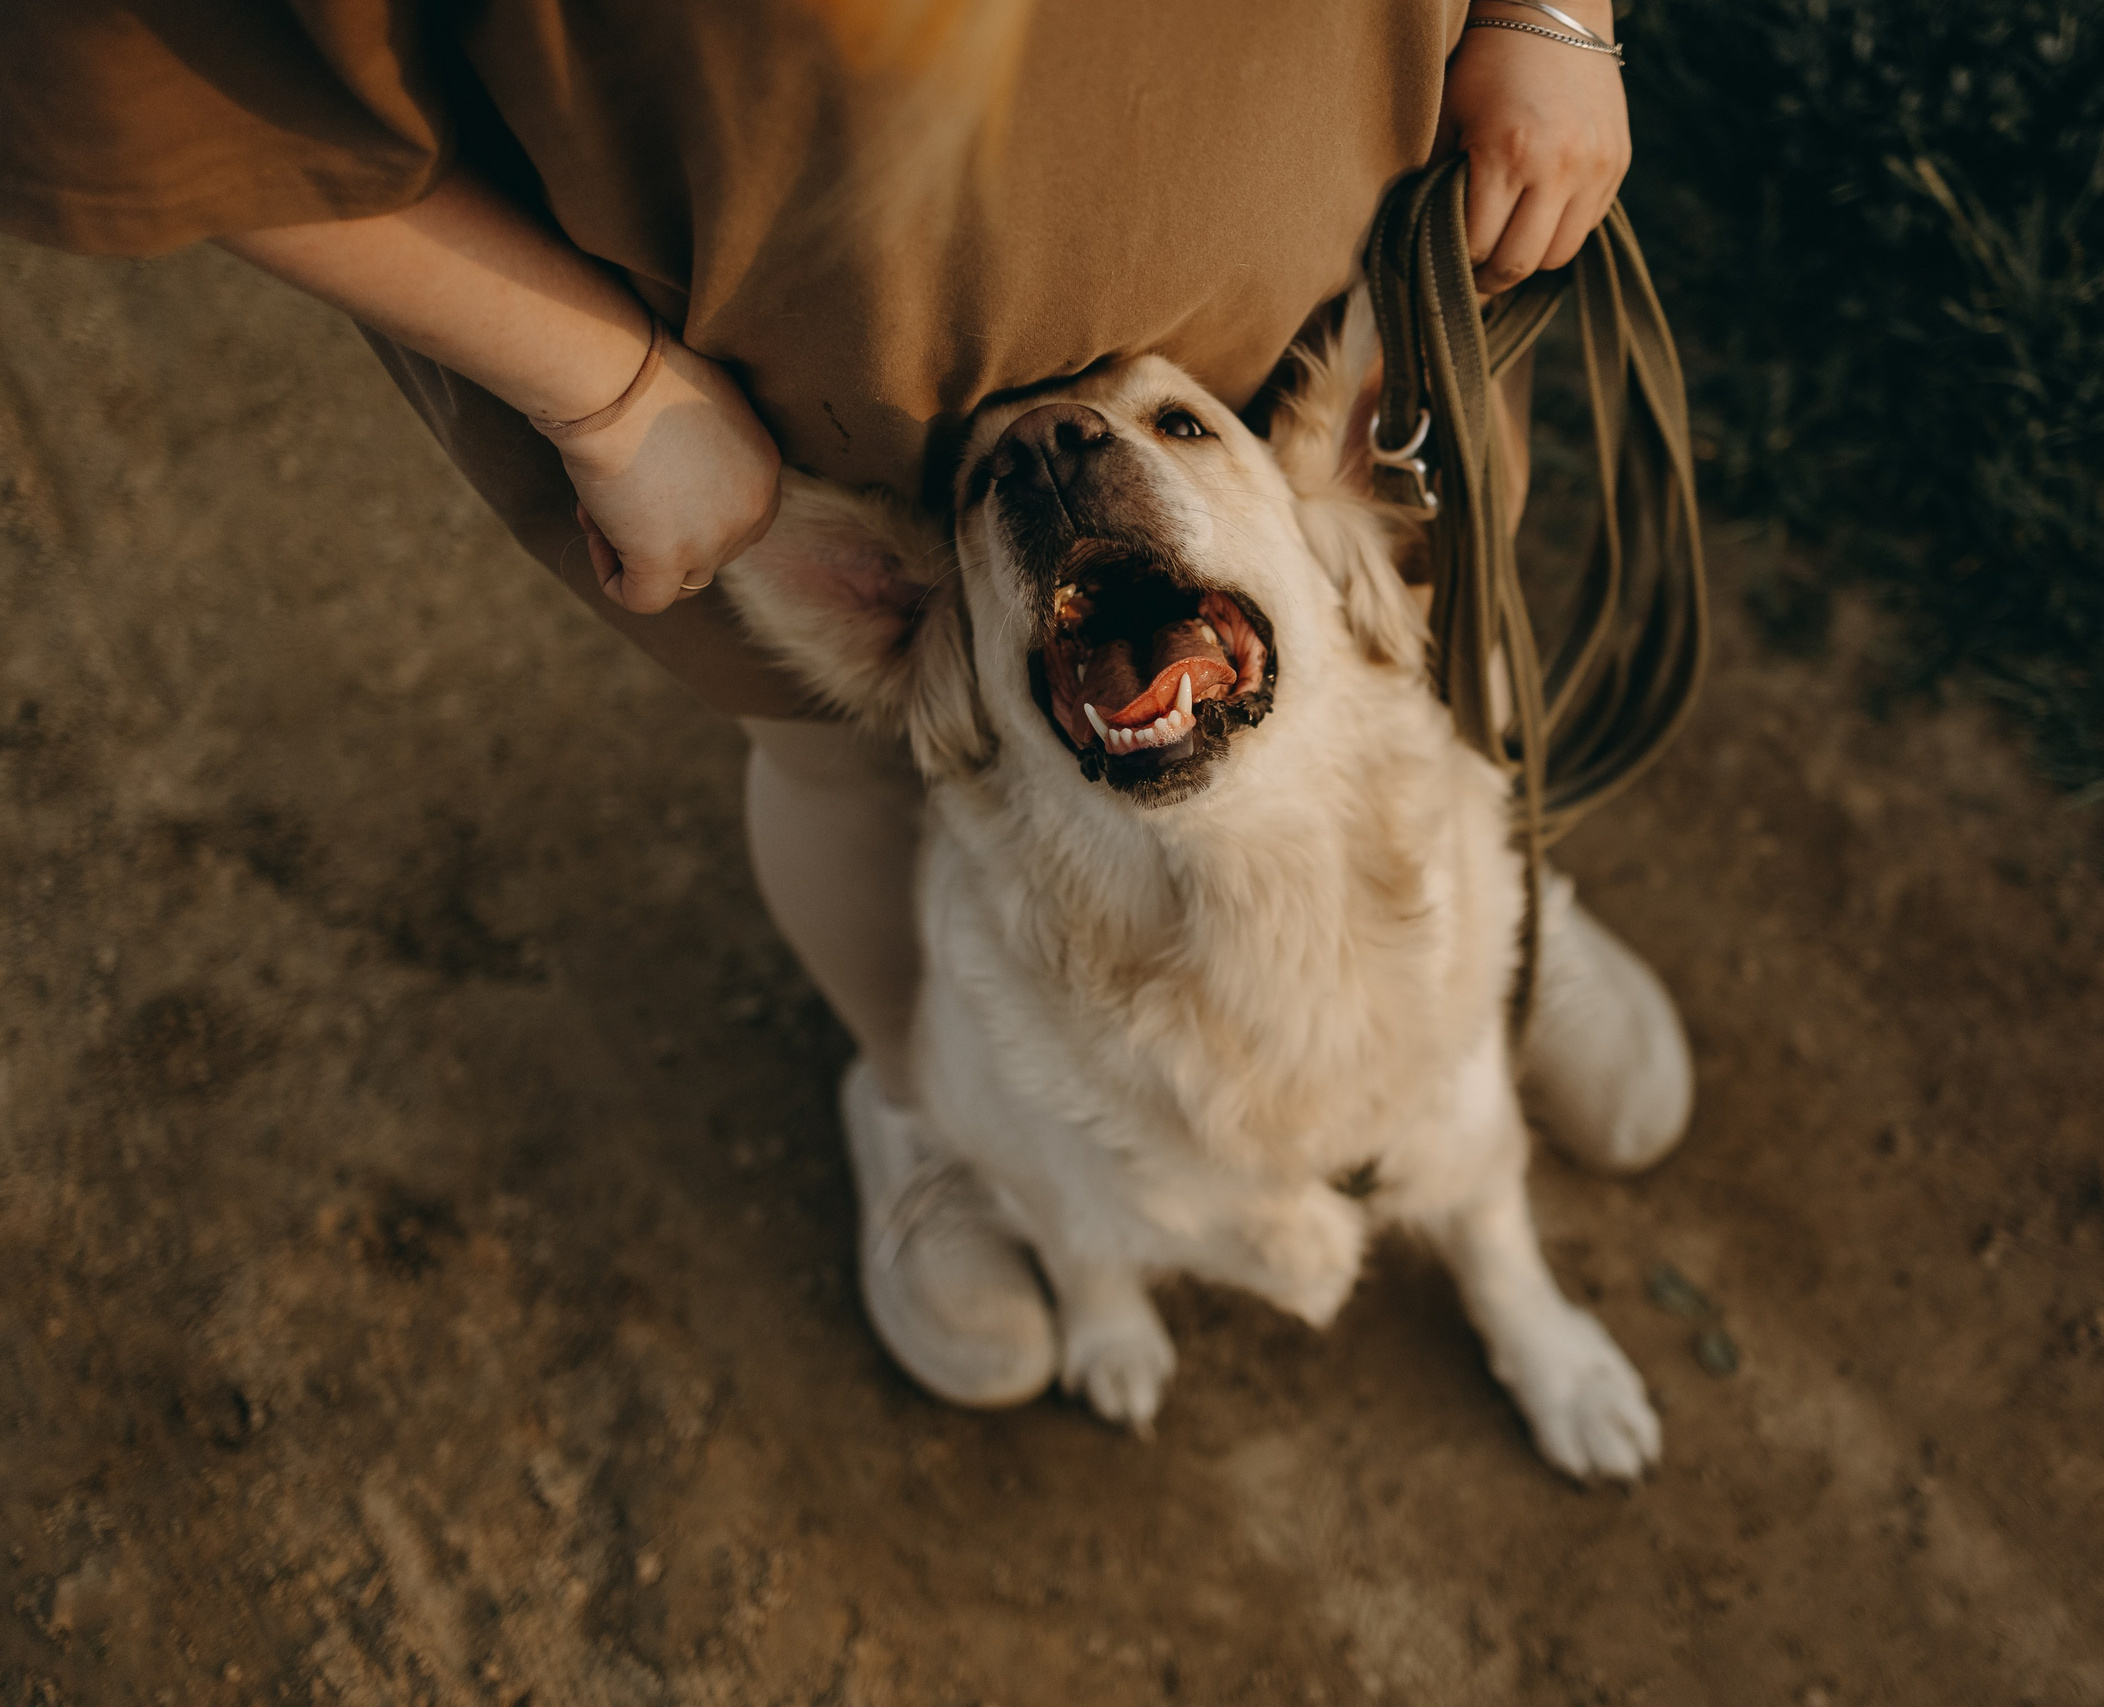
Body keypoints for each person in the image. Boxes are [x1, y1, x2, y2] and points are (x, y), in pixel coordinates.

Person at [0, 0, 1690, 1407]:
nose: (1063, 454)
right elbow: (128, 62)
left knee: (1422, 657)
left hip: (1334, 262)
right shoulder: (926, 636)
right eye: (1049, 474)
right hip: (768, 402)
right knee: (840, 787)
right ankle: (950, 1123)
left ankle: (1490, 953)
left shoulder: (1323, 521)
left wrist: (1554, 5)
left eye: (1152, 436)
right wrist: (605, 396)